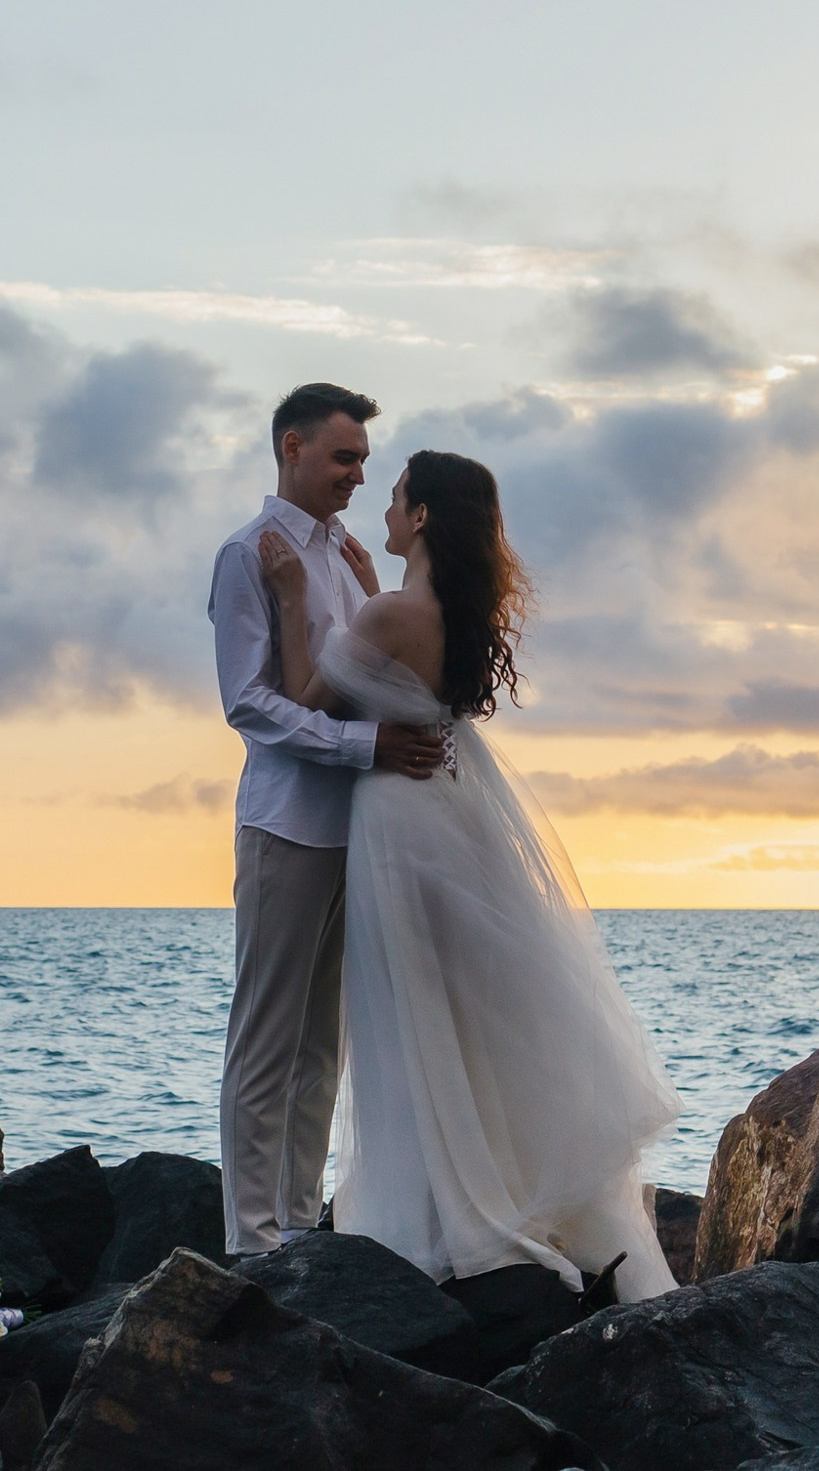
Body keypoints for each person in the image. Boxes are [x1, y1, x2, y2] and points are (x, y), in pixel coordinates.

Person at [258, 448, 682, 1301]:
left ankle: (443, 1209)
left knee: (411, 1013)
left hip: (397, 819)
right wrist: (374, 581)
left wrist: (296, 595)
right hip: (455, 811)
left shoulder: (384, 617)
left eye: (398, 495)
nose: (382, 502)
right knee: (470, 1010)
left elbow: (305, 696)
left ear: (420, 517)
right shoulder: (454, 609)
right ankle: (514, 1178)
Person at [209, 384, 447, 1260]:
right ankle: (249, 1237)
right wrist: (366, 747)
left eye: (364, 462)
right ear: (292, 447)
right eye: (344, 456)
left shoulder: (351, 557)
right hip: (287, 822)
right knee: (266, 1036)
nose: (357, 475)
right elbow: (251, 704)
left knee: (325, 1043)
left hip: (361, 829)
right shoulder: (247, 554)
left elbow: (366, 676)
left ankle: (301, 1223)